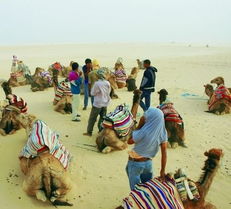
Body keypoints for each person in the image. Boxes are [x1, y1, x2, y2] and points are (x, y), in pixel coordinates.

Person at [126, 107, 168, 190]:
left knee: (136, 190)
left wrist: (139, 126)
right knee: (148, 187)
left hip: (135, 163)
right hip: (148, 164)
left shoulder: (143, 131)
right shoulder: (163, 133)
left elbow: (129, 141)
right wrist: (162, 170)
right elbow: (164, 153)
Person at [83, 67, 111, 136]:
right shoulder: (107, 83)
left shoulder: (97, 84)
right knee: (102, 117)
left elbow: (92, 93)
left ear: (98, 75)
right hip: (105, 103)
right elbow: (109, 92)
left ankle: (89, 132)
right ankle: (100, 130)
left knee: (92, 118)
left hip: (97, 103)